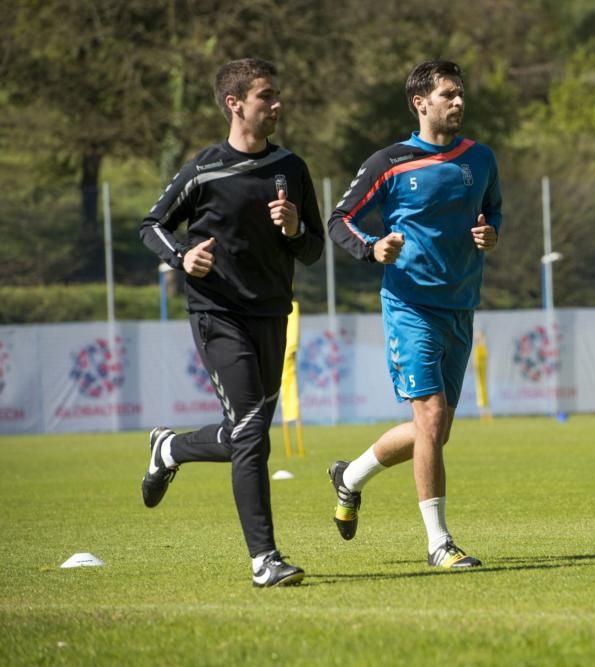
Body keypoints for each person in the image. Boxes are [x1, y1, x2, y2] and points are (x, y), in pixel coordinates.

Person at [138, 58, 324, 587]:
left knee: (247, 435)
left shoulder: (293, 167)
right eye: (266, 96)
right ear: (234, 103)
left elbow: (312, 249)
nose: (277, 105)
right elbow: (152, 225)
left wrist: (293, 230)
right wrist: (182, 257)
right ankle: (264, 560)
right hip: (217, 314)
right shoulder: (204, 168)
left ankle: (170, 448)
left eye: (278, 95)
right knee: (250, 433)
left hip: (272, 314)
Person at [327, 60, 502, 569]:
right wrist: (373, 247)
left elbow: (494, 213)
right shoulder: (389, 162)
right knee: (428, 421)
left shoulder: (482, 158)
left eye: (461, 94)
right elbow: (341, 219)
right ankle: (438, 543)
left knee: (435, 431)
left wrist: (491, 233)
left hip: (461, 306)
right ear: (419, 103)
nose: (459, 102)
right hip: (410, 306)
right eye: (448, 94)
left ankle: (350, 476)